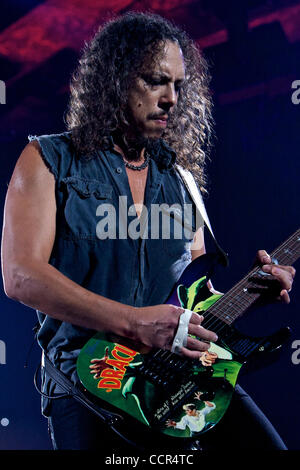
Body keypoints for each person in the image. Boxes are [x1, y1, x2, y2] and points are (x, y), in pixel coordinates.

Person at [1, 12, 295, 451]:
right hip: (89, 380)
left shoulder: (181, 180)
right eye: (156, 81)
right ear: (115, 80)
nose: (171, 98)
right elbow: (20, 275)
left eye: (178, 85)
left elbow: (190, 296)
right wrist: (135, 323)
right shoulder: (47, 159)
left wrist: (253, 292)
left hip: (181, 372)